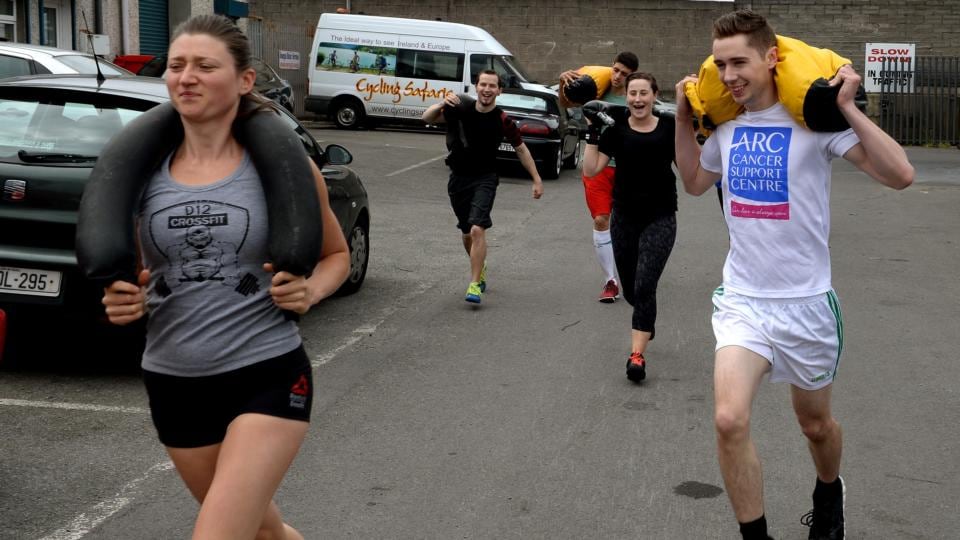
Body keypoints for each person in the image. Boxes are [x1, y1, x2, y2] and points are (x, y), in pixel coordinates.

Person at [101, 14, 350, 539]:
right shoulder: (143, 171)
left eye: (204, 66)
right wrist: (121, 297)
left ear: (243, 80)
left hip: (265, 373)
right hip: (172, 378)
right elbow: (137, 272)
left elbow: (335, 256)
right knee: (265, 533)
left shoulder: (282, 167)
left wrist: (313, 291)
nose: (186, 76)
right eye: (176, 65)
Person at [674, 10, 914, 540]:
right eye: (721, 64)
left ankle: (829, 490)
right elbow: (693, 181)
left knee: (815, 425)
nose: (730, 74)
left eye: (740, 61)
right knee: (728, 419)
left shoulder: (813, 127)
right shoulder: (728, 129)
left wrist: (847, 108)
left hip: (806, 303)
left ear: (771, 57)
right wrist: (678, 115)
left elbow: (900, 174)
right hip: (743, 301)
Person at [582, 72, 677, 383]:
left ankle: (637, 356)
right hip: (624, 216)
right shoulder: (616, 130)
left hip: (661, 216)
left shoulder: (669, 128)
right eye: (632, 94)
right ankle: (645, 318)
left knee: (645, 283)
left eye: (643, 93)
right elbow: (592, 169)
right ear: (627, 98)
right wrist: (592, 134)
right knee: (633, 287)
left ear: (654, 96)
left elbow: (691, 164)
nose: (637, 99)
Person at [421, 69, 543, 304]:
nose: (487, 89)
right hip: (458, 178)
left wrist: (536, 179)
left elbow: (521, 148)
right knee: (467, 233)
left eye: (492, 86)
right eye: (483, 85)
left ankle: (474, 284)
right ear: (476, 87)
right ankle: (481, 267)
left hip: (485, 178)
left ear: (499, 90)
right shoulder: (460, 110)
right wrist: (440, 104)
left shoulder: (502, 120)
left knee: (478, 229)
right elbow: (427, 118)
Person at [559, 51, 639, 303]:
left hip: (628, 167)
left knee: (629, 225)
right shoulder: (595, 89)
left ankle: (633, 271)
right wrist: (564, 83)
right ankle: (610, 281)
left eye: (624, 74)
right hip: (597, 167)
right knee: (602, 219)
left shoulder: (636, 96)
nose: (617, 76)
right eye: (615, 70)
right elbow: (566, 104)